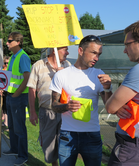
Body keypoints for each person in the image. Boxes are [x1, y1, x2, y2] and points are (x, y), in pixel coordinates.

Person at [49, 35, 113, 166]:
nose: (97, 58)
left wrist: (107, 88)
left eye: (99, 54)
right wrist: (67, 106)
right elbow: (54, 105)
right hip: (67, 135)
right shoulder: (61, 75)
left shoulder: (98, 74)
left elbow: (109, 107)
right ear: (80, 51)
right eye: (94, 53)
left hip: (92, 135)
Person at [27, 47, 71, 166]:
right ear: (54, 51)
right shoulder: (39, 65)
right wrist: (32, 112)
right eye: (65, 49)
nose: (67, 52)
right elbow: (32, 89)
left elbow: (73, 87)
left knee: (65, 143)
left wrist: (63, 75)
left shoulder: (67, 65)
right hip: (46, 111)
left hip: (64, 111)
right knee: (49, 144)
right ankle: (54, 164)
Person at [105, 21, 139, 166]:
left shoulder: (137, 71)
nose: (125, 50)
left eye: (127, 44)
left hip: (131, 146)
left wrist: (119, 105)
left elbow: (111, 107)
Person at [2, 32, 31, 166]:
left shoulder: (23, 56)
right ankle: (14, 149)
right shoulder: (14, 56)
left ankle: (23, 155)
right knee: (12, 126)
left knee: (19, 128)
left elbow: (26, 78)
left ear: (18, 42)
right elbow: (11, 77)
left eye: (9, 41)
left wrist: (16, 94)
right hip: (10, 95)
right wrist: (3, 87)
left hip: (18, 97)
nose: (7, 43)